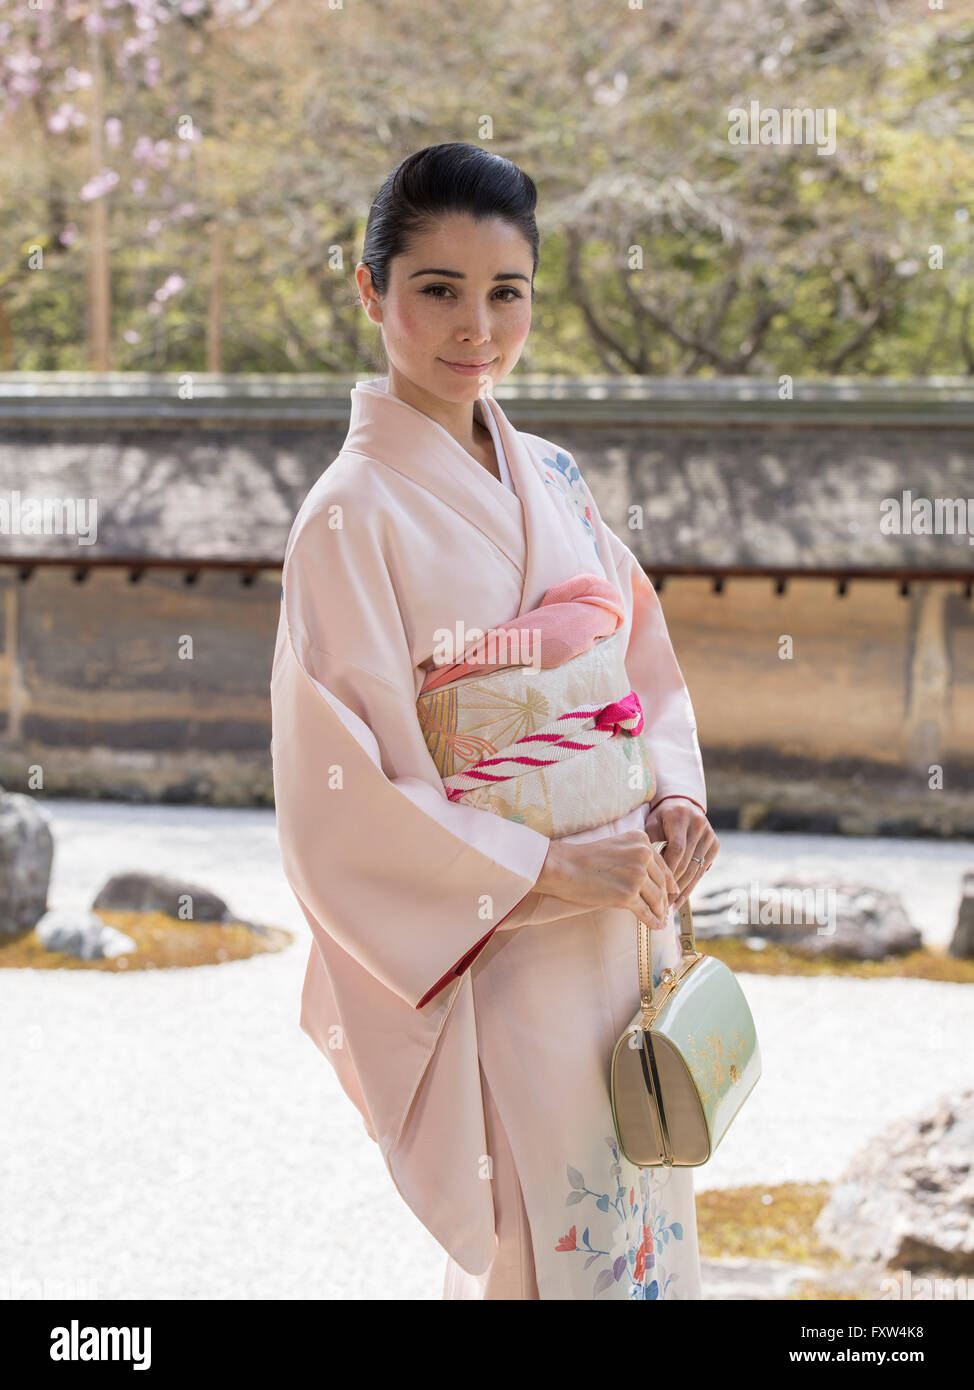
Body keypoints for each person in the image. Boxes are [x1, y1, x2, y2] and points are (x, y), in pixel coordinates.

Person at [270, 141, 720, 1300]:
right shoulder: (348, 517)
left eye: (504, 293)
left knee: (650, 1207)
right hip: (506, 933)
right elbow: (344, 796)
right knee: (551, 1234)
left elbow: (640, 661)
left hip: (627, 919)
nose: (476, 326)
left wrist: (671, 790)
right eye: (437, 290)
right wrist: (542, 865)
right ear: (370, 290)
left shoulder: (555, 477)